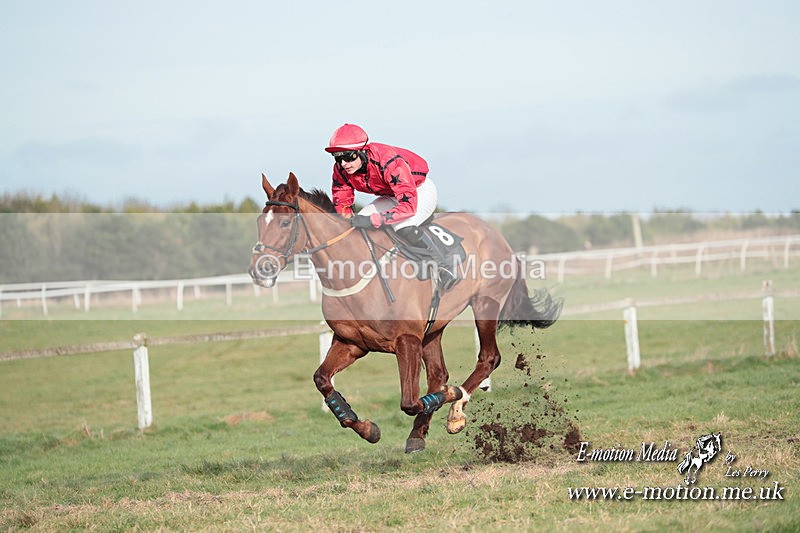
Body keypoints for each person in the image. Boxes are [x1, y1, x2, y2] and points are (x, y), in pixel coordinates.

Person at [325, 123, 459, 290]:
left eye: (349, 156)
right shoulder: (341, 169)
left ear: (362, 151)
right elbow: (342, 202)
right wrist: (350, 220)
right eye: (338, 158)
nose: (344, 163)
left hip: (418, 191)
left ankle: (444, 267)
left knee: (402, 224)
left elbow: (408, 207)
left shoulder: (388, 161)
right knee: (359, 223)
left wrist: (375, 220)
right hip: (390, 196)